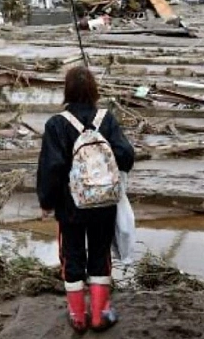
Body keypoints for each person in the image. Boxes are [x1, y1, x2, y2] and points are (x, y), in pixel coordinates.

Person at [36, 66, 135, 333]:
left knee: (71, 256)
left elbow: (52, 168)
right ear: (94, 89)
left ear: (67, 90)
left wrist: (46, 202)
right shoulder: (107, 119)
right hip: (104, 203)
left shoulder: (56, 124)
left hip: (71, 207)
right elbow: (126, 156)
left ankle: (78, 316)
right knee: (101, 254)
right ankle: (99, 315)